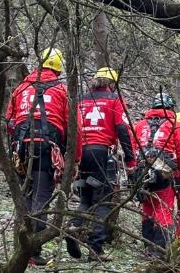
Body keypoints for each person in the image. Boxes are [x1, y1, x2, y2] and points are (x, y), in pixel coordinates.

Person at [6, 47, 82, 266]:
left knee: (26, 195)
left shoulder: (21, 88)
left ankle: (23, 246)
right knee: (41, 196)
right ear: (58, 69)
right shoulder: (62, 90)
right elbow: (75, 128)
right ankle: (32, 249)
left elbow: (9, 121)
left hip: (21, 147)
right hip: (47, 148)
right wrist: (75, 159)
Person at [68, 67, 136, 261]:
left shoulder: (81, 99)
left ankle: (73, 227)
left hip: (80, 153)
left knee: (86, 198)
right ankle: (95, 248)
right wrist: (130, 159)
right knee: (104, 200)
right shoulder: (114, 99)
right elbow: (122, 129)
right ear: (112, 84)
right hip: (100, 152)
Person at [131, 92, 180, 259]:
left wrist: (132, 172)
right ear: (170, 108)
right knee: (163, 208)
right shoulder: (174, 125)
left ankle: (148, 248)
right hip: (163, 171)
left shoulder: (140, 125)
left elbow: (132, 148)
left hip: (141, 170)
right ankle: (159, 250)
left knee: (147, 208)